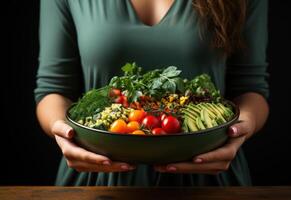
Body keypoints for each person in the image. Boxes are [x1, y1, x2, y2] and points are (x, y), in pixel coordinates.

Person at [35, 0, 269, 186]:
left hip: (210, 175)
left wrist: (240, 129)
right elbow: (52, 89)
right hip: (96, 176)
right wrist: (64, 131)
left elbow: (251, 87)